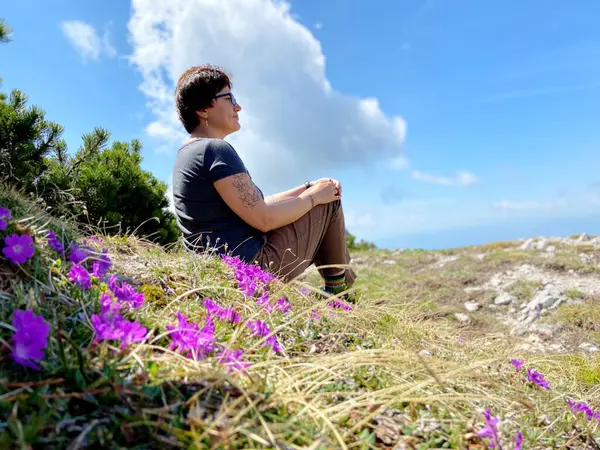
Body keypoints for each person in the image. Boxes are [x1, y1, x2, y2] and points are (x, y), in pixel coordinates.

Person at [171, 65, 356, 295]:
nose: (238, 106)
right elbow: (264, 218)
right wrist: (315, 198)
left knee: (324, 192)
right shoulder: (215, 150)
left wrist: (308, 188)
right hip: (253, 269)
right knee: (330, 201)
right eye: (229, 98)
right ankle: (339, 292)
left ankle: (339, 288)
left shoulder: (189, 152)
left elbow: (256, 204)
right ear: (203, 109)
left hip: (217, 270)